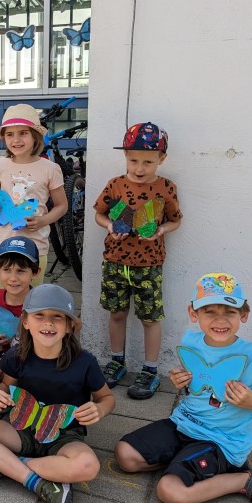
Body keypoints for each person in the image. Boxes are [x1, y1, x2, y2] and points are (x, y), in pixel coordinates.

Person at [115, 273, 252, 503]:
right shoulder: (191, 342)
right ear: (193, 313)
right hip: (184, 424)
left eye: (229, 311)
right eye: (210, 312)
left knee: (170, 492)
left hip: (221, 441)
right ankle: (185, 463)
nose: (220, 320)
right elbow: (195, 384)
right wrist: (180, 380)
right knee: (126, 455)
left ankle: (246, 479)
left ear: (244, 314)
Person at [0, 285, 114, 503]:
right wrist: (0, 397)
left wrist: (100, 409)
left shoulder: (85, 362)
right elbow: (6, 387)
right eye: (39, 315)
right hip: (21, 428)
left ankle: (2, 466)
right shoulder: (17, 355)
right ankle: (38, 483)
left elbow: (107, 398)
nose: (48, 323)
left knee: (88, 466)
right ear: (26, 322)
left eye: (57, 317)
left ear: (71, 326)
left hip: (64, 436)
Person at [93, 122, 182, 400]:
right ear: (125, 157)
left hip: (150, 264)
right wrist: (109, 226)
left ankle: (150, 370)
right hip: (115, 261)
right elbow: (99, 214)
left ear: (162, 159)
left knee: (149, 318)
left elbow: (175, 220)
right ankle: (117, 361)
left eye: (147, 162)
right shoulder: (115, 184)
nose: (139, 168)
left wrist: (160, 230)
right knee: (116, 313)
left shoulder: (166, 188)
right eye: (133, 160)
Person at [0, 104, 66, 286]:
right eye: (10, 134)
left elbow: (62, 205)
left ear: (35, 136)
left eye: (23, 133)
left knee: (32, 300)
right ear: (3, 138)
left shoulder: (50, 168)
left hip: (35, 245)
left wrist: (44, 220)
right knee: (7, 297)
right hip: (3, 244)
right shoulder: (1, 165)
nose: (16, 140)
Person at [0, 237, 41, 394]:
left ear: (34, 273)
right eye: (7, 270)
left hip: (39, 361)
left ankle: (16, 394)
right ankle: (12, 394)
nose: (13, 278)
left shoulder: (42, 301)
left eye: (21, 271)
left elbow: (73, 324)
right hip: (9, 357)